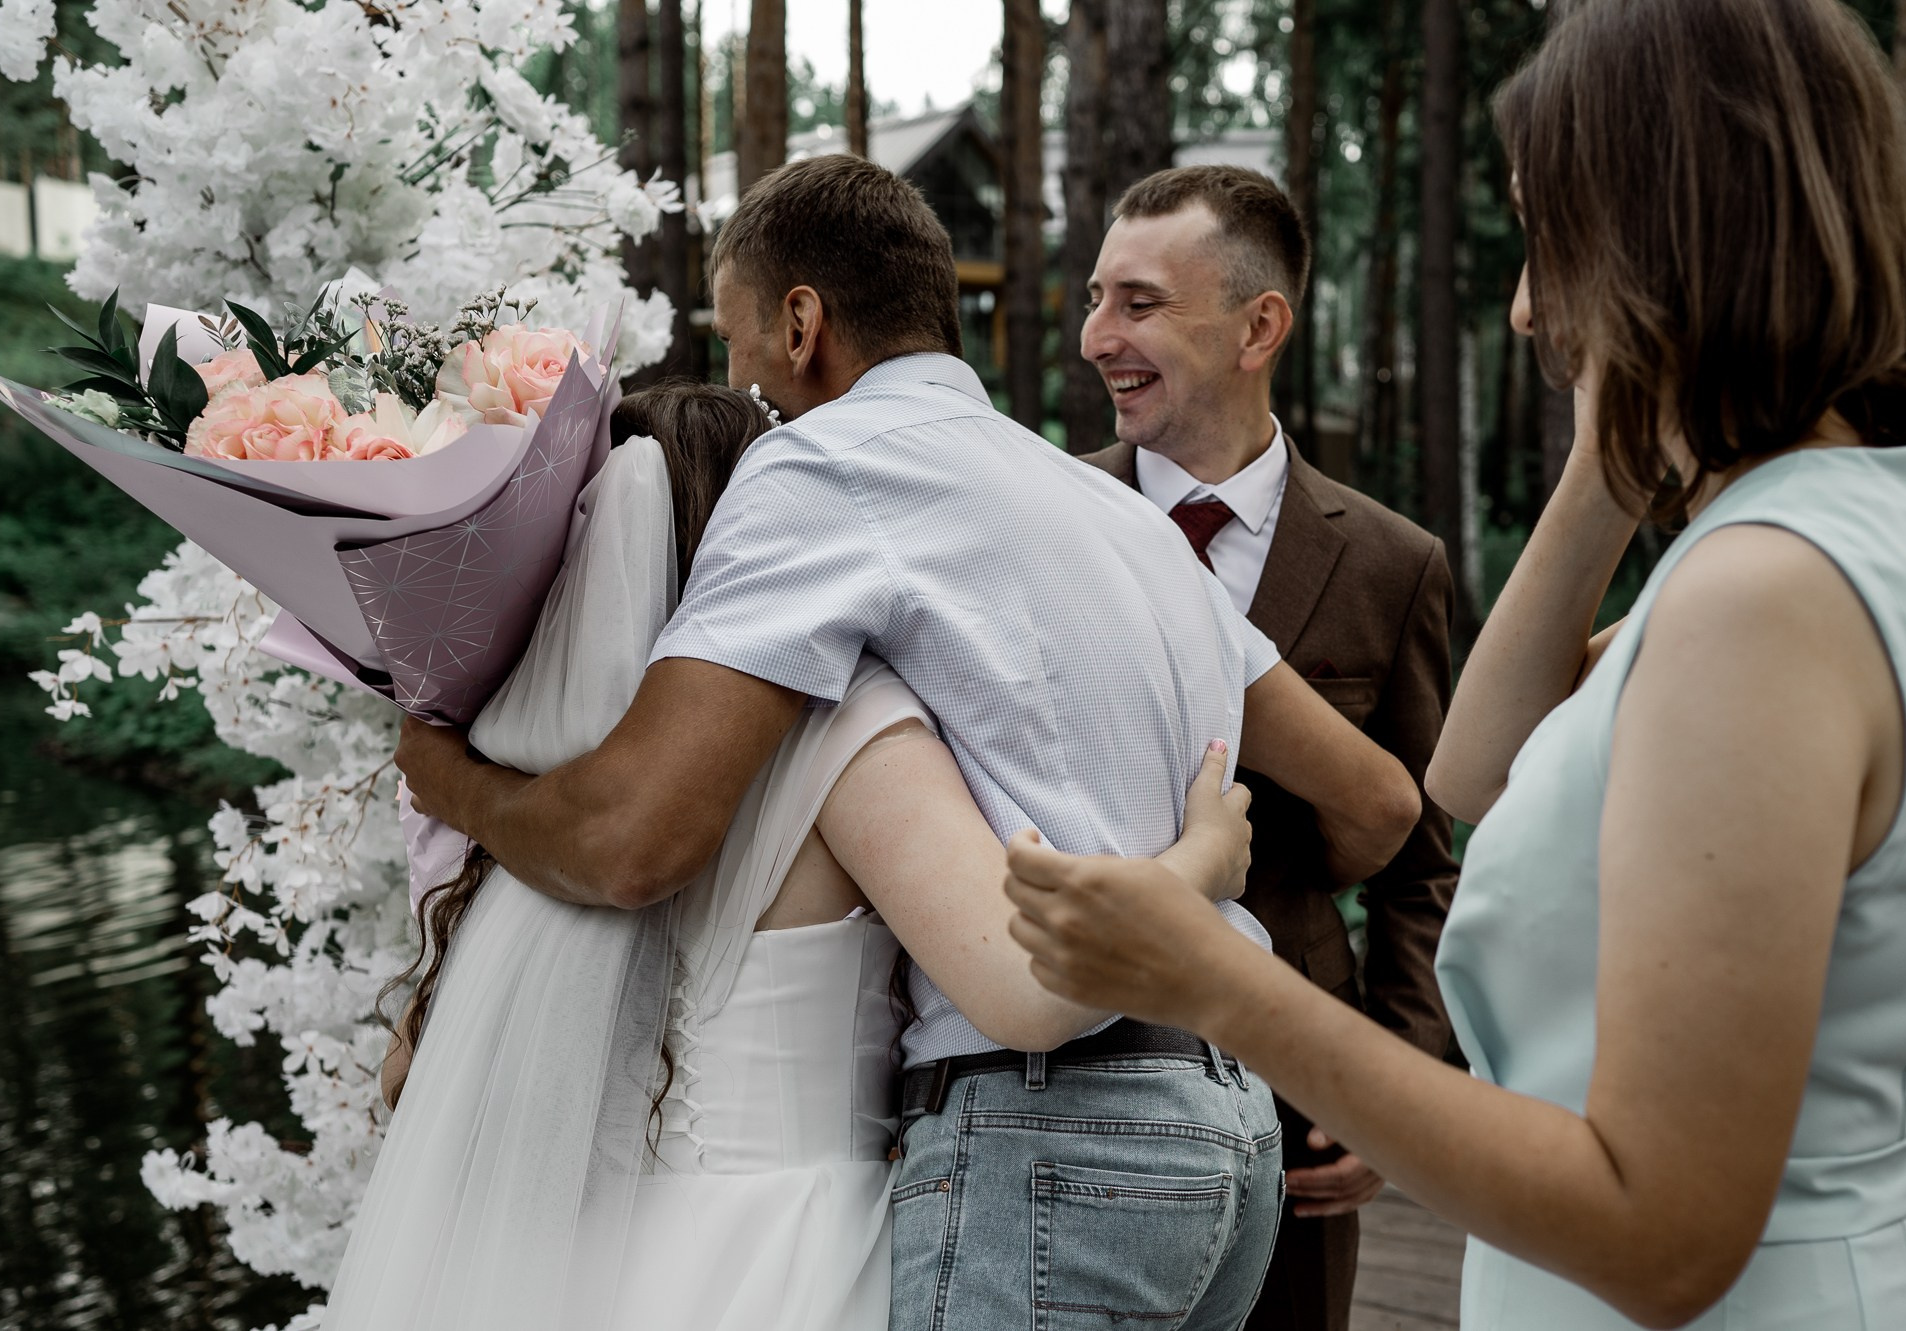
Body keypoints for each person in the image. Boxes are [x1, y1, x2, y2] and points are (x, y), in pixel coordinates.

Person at [1003, 0, 1906, 1327]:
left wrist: (1212, 974)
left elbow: (1658, 1234)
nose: (1524, 309)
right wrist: (1615, 440)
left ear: (1661, 238)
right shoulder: (1867, 520)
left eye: (1548, 241)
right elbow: (1481, 765)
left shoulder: (1762, 596)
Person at [394, 155, 1422, 1330]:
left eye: (739, 348)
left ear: (800, 323)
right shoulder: (1115, 515)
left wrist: (454, 782)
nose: (746, 392)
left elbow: (635, 838)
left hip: (1050, 1134)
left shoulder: (823, 464)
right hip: (1231, 1120)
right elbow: (1380, 803)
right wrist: (1206, 860)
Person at [327, 381, 1260, 1331]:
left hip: (583, 1265)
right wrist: (1204, 862)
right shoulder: (844, 732)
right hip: (788, 1261)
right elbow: (1034, 990)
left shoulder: (545, 782)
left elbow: (413, 1081)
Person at [1079, 163, 1458, 1331]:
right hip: (1070, 1067)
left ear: (1259, 326)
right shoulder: (1041, 519)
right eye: (1094, 297)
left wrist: (1398, 1079)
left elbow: (1422, 857)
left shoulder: (1394, 565)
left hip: (1298, 1090)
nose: (1097, 337)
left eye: (1137, 303)